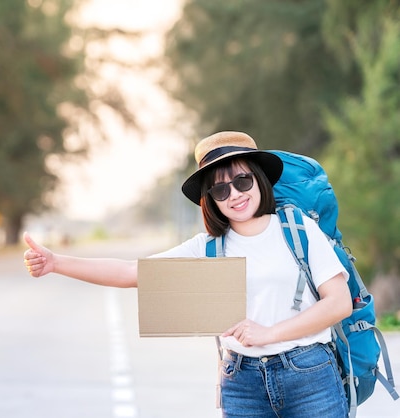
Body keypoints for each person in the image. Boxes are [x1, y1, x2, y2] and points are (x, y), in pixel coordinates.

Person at [23, 131, 352, 418]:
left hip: (310, 374)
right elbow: (128, 272)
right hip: (242, 381)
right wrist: (55, 262)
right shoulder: (206, 248)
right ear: (210, 200)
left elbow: (338, 303)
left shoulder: (297, 229)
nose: (235, 194)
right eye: (221, 190)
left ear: (259, 179)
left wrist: (270, 333)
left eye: (242, 181)